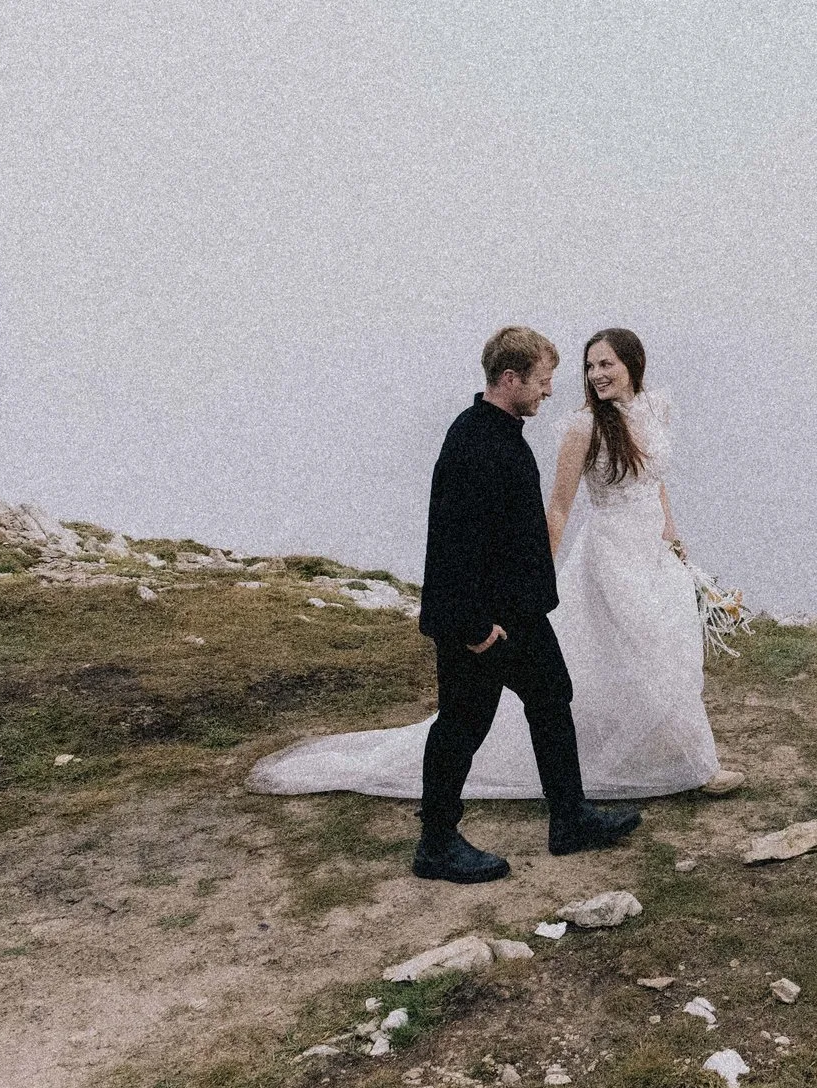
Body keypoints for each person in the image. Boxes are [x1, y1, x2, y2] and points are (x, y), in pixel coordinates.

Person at [245, 327, 719, 831]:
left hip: (514, 608)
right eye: (544, 379)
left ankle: (569, 819)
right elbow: (452, 543)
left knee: (548, 695)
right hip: (482, 618)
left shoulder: (499, 434)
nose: (552, 390)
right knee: (464, 722)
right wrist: (471, 627)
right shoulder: (477, 443)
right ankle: (439, 838)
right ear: (511, 378)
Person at [541, 328, 722, 798]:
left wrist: (672, 535)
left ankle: (675, 754)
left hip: (654, 550)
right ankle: (699, 766)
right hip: (612, 551)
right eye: (590, 366)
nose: (596, 375)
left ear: (632, 364)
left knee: (673, 647)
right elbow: (559, 506)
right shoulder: (584, 426)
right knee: (645, 650)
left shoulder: (655, 407)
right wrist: (539, 571)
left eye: (606, 364)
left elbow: (654, 478)